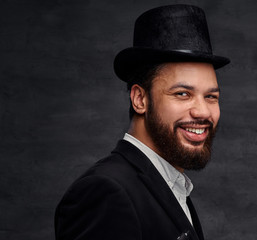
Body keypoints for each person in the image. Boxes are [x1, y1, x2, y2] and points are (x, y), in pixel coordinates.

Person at [54, 4, 230, 240]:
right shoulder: (105, 191)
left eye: (211, 97)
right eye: (182, 94)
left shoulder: (171, 186)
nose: (202, 112)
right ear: (140, 99)